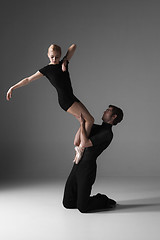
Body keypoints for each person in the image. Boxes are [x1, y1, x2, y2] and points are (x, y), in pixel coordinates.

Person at [6, 44, 94, 163]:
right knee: (90, 120)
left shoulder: (64, 63)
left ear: (60, 55)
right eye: (52, 57)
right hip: (66, 100)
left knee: (83, 122)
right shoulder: (46, 70)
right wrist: (13, 87)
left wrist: (66, 60)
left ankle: (77, 144)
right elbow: (28, 79)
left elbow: (73, 46)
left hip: (72, 98)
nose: (54, 59)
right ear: (48, 55)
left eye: (57, 57)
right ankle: (81, 148)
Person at [63, 105, 124, 213]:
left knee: (83, 208)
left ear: (114, 116)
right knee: (68, 203)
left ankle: (103, 199)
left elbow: (85, 143)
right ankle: (83, 199)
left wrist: (83, 124)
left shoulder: (107, 134)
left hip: (87, 169)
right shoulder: (94, 127)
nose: (105, 111)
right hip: (77, 164)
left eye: (108, 110)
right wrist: (82, 123)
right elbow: (76, 142)